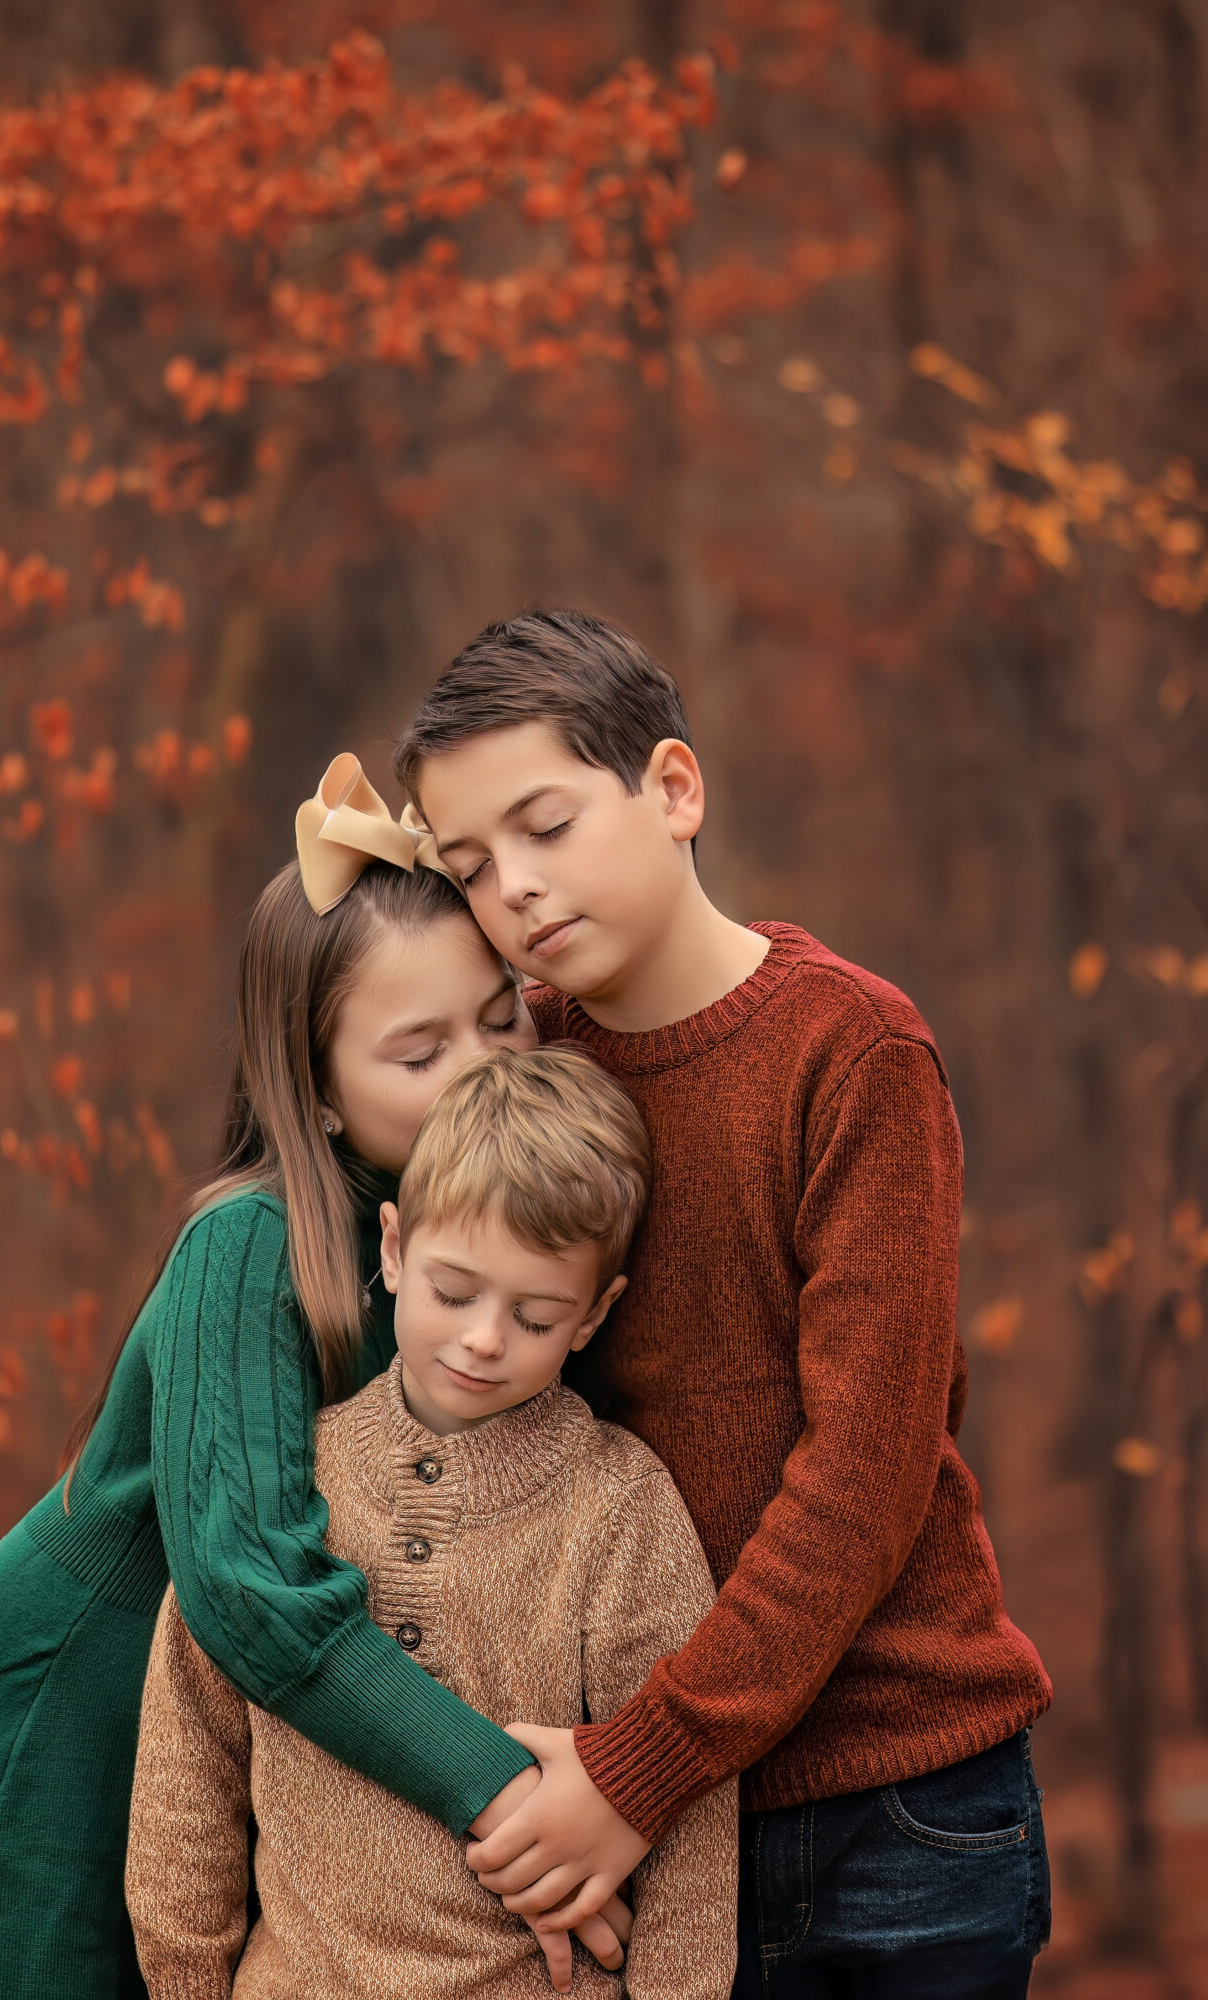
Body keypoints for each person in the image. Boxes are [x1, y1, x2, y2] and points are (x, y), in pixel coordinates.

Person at [0, 755, 625, 2000]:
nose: (483, 1071)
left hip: (237, 1756)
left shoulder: (486, 1256)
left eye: (500, 1016)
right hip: (67, 1722)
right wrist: (513, 1793)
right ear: (316, 1094)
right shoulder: (254, 1243)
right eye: (419, 1052)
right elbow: (255, 1592)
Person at [393, 610, 1055, 1998]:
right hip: (652, 1820)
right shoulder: (522, 1084)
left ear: (674, 790)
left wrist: (643, 1764)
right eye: (470, 867)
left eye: (545, 824)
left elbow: (863, 1476)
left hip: (897, 1798)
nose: (511, 887)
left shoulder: (850, 1051)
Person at [126, 1047, 739, 1999]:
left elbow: (692, 1841)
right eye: (454, 1292)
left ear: (593, 1315)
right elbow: (187, 1773)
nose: (484, 1338)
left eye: (535, 1316)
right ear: (394, 1248)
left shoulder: (618, 1509)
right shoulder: (291, 1493)